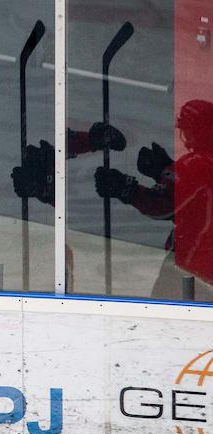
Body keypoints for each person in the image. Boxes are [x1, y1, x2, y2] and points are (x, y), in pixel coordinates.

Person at [93, 99, 213, 297]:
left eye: (187, 128)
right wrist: (165, 171)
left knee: (167, 318)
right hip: (205, 269)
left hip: (189, 267)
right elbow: (196, 204)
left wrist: (125, 188)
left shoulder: (194, 164)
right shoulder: (203, 164)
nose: (185, 134)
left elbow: (163, 205)